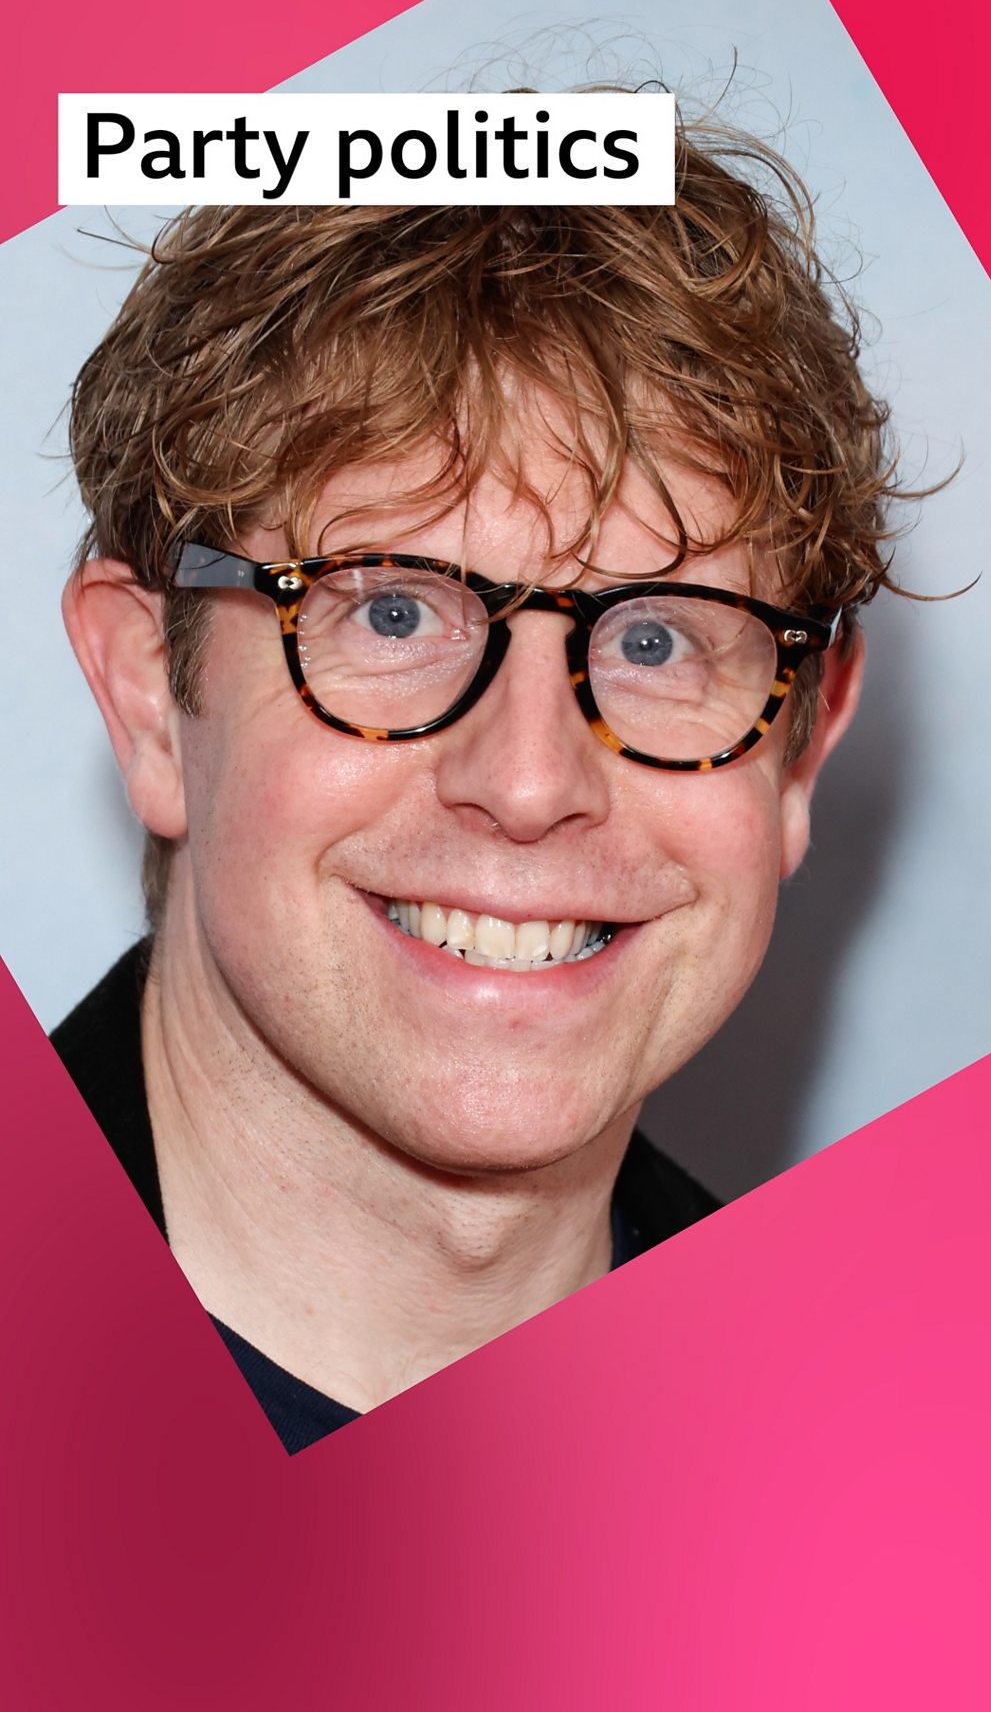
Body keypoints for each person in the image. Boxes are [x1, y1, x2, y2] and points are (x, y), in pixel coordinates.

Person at [52, 118, 900, 1453]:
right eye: (391, 615)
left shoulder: (914, 1487)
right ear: (150, 695)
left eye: (656, 638)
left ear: (805, 741)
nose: (526, 780)